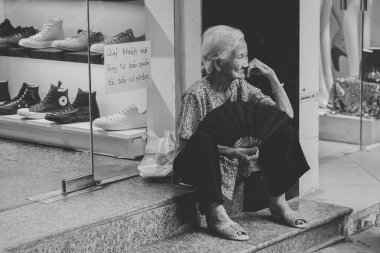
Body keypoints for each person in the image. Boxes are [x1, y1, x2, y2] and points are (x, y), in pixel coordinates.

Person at [174, 25, 310, 241]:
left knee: (283, 130)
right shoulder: (196, 93)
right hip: (198, 163)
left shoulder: (242, 88)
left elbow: (286, 114)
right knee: (202, 139)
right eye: (240, 56)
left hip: (234, 161)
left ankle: (278, 201)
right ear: (218, 63)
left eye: (246, 55)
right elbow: (185, 147)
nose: (246, 63)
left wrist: (272, 77)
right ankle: (215, 214)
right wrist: (232, 152)